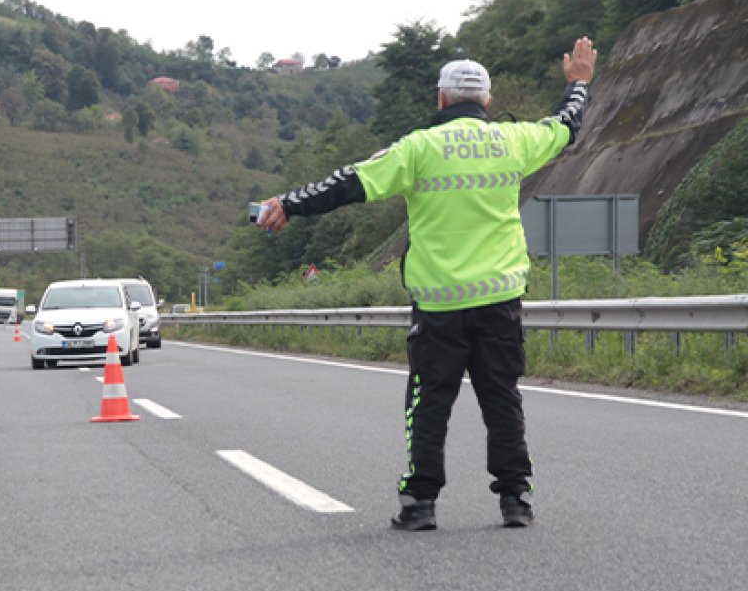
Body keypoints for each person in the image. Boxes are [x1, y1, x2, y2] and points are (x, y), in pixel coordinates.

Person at [256, 37, 598, 531]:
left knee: (429, 403)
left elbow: (349, 182)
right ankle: (515, 502)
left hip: (438, 307)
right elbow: (566, 126)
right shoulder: (515, 141)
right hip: (501, 301)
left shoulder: (418, 148)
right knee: (502, 399)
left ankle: (420, 505)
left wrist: (289, 202)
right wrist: (579, 83)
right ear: (487, 101)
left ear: (440, 99)